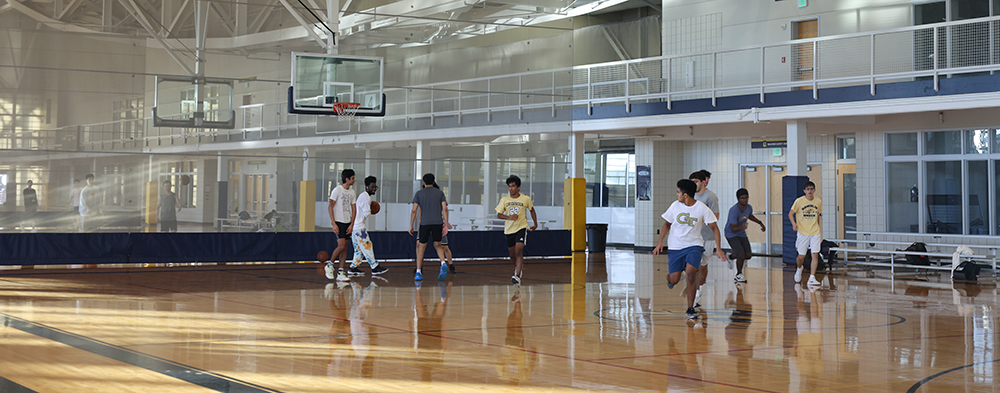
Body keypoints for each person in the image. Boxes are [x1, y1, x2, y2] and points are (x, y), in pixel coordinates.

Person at [653, 179, 726, 321]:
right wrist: (660, 242)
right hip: (675, 247)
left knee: (691, 273)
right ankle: (671, 279)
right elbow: (667, 224)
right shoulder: (675, 206)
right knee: (674, 279)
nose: (677, 195)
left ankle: (690, 308)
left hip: (694, 245)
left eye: (678, 192)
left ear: (685, 195)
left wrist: (719, 248)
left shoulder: (702, 208)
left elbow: (714, 228)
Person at [495, 175, 537, 286]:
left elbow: (532, 210)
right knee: (512, 255)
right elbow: (499, 215)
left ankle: (517, 275)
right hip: (509, 230)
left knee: (519, 250)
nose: (511, 189)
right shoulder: (504, 200)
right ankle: (517, 268)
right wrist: (509, 217)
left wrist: (535, 223)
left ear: (518, 187)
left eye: (513, 186)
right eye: (509, 187)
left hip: (521, 227)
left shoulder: (525, 199)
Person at [409, 173, 451, 282]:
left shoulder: (419, 194)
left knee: (421, 248)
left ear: (423, 182)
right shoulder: (440, 193)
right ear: (433, 182)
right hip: (437, 223)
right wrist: (446, 225)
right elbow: (445, 209)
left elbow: (414, 210)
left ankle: (418, 272)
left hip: (424, 224)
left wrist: (411, 225)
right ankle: (443, 262)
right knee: (438, 245)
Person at [688, 170, 718, 306]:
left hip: (708, 237)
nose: (693, 184)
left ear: (703, 182)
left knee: (703, 266)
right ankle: (695, 293)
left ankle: (700, 287)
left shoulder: (711, 197)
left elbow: (715, 217)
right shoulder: (689, 196)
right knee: (695, 265)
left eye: (696, 181)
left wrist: (701, 219)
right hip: (694, 237)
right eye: (692, 182)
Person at [348, 176, 387, 276]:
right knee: (368, 246)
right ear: (366, 186)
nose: (374, 189)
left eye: (375, 187)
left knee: (359, 250)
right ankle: (374, 267)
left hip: (355, 228)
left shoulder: (362, 195)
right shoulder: (366, 197)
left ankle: (353, 267)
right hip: (359, 228)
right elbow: (367, 214)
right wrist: (371, 208)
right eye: (372, 187)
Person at [725, 188, 765, 283]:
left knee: (748, 255)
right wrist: (741, 226)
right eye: (742, 198)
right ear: (738, 199)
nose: (745, 200)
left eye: (746, 198)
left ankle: (730, 257)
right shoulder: (734, 211)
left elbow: (749, 215)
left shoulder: (749, 207)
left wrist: (760, 222)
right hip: (731, 234)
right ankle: (738, 274)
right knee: (741, 254)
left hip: (741, 233)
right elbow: (732, 228)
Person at [789, 181, 823, 286]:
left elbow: (817, 214)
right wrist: (794, 224)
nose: (810, 191)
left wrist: (818, 226)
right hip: (803, 232)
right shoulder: (799, 201)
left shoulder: (818, 201)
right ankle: (799, 268)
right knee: (801, 256)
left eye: (812, 189)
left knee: (815, 255)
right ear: (804, 191)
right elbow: (790, 213)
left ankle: (812, 277)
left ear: (814, 190)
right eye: (808, 189)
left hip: (815, 232)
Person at [326, 169, 357, 282]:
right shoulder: (337, 190)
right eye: (352, 178)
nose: (354, 180)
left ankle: (340, 271)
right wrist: (333, 223)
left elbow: (354, 209)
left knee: (345, 248)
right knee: (341, 246)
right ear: (347, 179)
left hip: (347, 222)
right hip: (338, 221)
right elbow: (330, 206)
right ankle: (329, 265)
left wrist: (352, 224)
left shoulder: (352, 192)